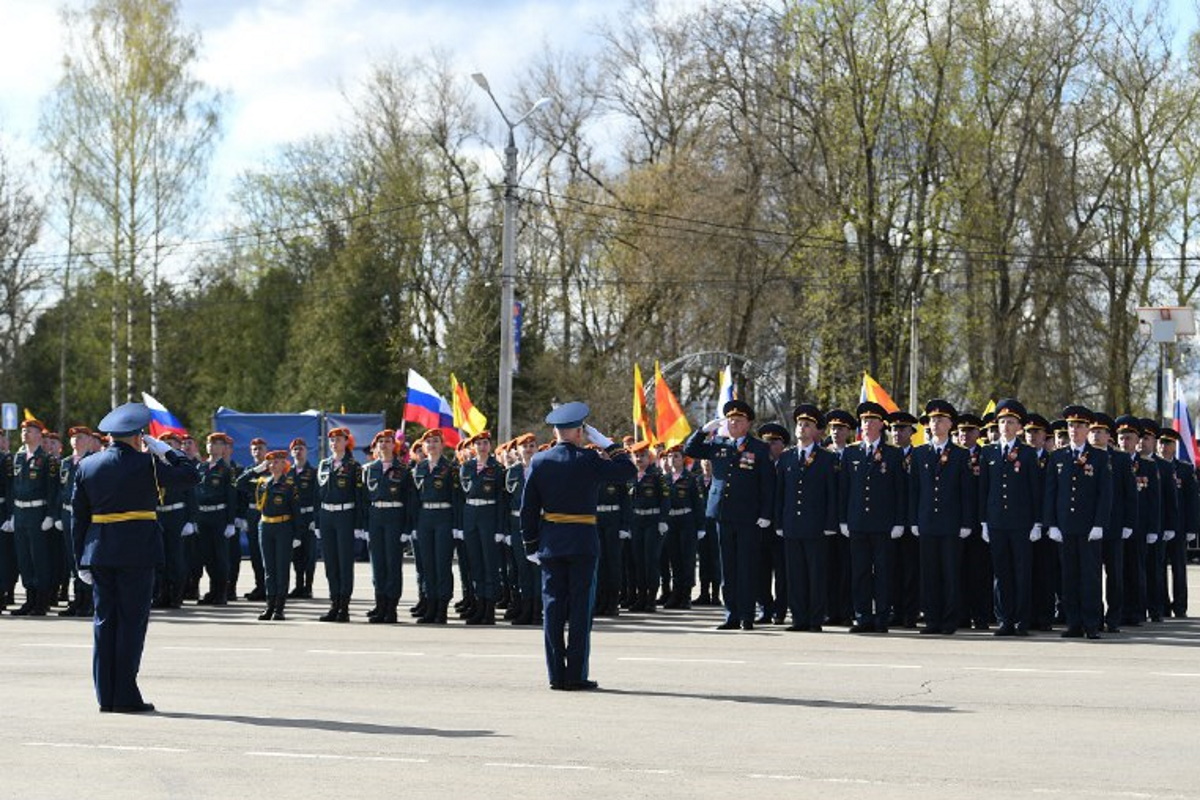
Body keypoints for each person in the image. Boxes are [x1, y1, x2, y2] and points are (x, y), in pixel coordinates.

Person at [71, 401, 199, 713]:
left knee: (104, 624)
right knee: (131, 624)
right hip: (137, 553)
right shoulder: (148, 465)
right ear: (138, 436)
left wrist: (80, 561)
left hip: (99, 553)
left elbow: (78, 519)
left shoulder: (87, 466)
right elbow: (190, 475)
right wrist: (164, 450)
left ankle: (106, 696)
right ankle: (125, 696)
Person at [520, 402, 636, 691]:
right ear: (578, 431)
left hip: (550, 542)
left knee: (553, 610)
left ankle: (556, 675)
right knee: (580, 612)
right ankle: (576, 675)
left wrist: (531, 544)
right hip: (583, 542)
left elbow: (528, 509)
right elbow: (627, 472)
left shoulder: (539, 461)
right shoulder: (587, 459)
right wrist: (608, 444)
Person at [683, 399, 775, 630]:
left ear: (748, 423)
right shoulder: (718, 443)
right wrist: (703, 431)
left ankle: (746, 615)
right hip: (723, 514)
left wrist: (765, 513)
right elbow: (690, 450)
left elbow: (767, 484)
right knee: (728, 568)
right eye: (731, 419)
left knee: (747, 567)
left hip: (748, 516)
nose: (733, 422)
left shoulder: (759, 448)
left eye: (739, 420)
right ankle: (731, 615)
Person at [1043, 406, 1111, 639]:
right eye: (1071, 425)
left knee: (1090, 577)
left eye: (1079, 426)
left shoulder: (1101, 457)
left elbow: (1105, 494)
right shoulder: (1058, 456)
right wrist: (1050, 523)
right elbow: (1050, 493)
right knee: (1069, 577)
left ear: (1087, 429)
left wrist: (1099, 523)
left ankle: (1091, 623)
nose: (1074, 430)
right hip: (1065, 527)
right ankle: (1073, 623)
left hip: (1089, 527)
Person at [840, 401, 906, 633]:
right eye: (864, 421)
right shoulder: (851, 452)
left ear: (881, 425)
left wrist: (899, 521)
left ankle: (882, 617)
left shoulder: (893, 454)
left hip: (883, 524)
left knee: (883, 573)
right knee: (860, 572)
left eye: (871, 421)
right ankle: (862, 616)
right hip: (857, 522)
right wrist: (843, 519)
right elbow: (844, 489)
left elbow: (900, 490)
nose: (866, 425)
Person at [978, 399, 1042, 636]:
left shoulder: (1027, 453)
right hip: (996, 523)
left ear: (1019, 427)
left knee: (1022, 572)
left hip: (1021, 523)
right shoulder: (989, 452)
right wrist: (983, 521)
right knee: (1001, 573)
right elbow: (983, 489)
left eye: (1011, 422)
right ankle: (1004, 619)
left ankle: (1021, 620)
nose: (1005, 426)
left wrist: (1037, 522)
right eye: (1002, 421)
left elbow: (1035, 490)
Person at [909, 399, 973, 635]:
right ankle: (932, 619)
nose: (935, 424)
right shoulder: (920, 453)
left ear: (949, 425)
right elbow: (914, 490)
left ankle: (949, 620)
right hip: (926, 522)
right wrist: (913, 520)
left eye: (940, 420)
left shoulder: (960, 455)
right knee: (929, 574)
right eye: (932, 420)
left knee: (950, 573)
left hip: (951, 523)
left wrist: (966, 522)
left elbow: (966, 492)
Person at [774, 404, 838, 632]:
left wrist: (831, 523)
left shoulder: (826, 459)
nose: (802, 427)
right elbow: (780, 494)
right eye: (800, 424)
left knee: (816, 575)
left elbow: (832, 495)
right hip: (792, 525)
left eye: (807, 424)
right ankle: (798, 618)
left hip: (816, 526)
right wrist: (779, 522)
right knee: (796, 575)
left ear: (817, 431)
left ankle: (815, 619)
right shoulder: (786, 458)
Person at [5, 419, 59, 616]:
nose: (25, 434)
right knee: (24, 557)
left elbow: (52, 490)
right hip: (20, 513)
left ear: (39, 435)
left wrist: (51, 515)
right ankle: (29, 598)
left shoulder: (46, 460)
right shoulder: (17, 458)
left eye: (29, 431)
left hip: (38, 512)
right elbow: (11, 488)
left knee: (39, 557)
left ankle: (41, 601)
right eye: (23, 431)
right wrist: (11, 515)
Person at [315, 427, 366, 622]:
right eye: (332, 440)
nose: (334, 443)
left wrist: (358, 524)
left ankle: (344, 606)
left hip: (346, 514)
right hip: (327, 515)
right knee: (330, 563)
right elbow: (316, 494)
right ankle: (334, 603)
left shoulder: (354, 466)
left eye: (339, 439)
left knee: (344, 563)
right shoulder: (324, 465)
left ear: (347, 442)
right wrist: (318, 521)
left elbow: (359, 497)